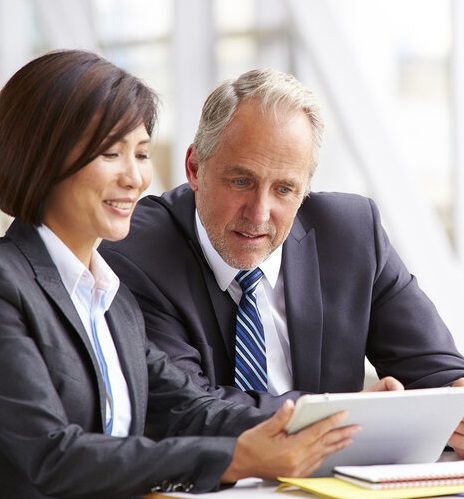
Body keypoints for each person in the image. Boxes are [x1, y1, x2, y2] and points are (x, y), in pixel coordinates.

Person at [0, 51, 363, 499]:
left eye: (142, 153)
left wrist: (344, 421)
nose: (135, 178)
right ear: (41, 158)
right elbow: (51, 457)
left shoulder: (108, 298)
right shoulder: (8, 285)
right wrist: (236, 459)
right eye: (111, 153)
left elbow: (192, 410)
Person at [100, 67, 464, 461]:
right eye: (241, 181)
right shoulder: (136, 250)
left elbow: (441, 372)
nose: (259, 214)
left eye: (285, 189)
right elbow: (185, 409)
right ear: (195, 168)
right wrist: (341, 415)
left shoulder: (352, 234)